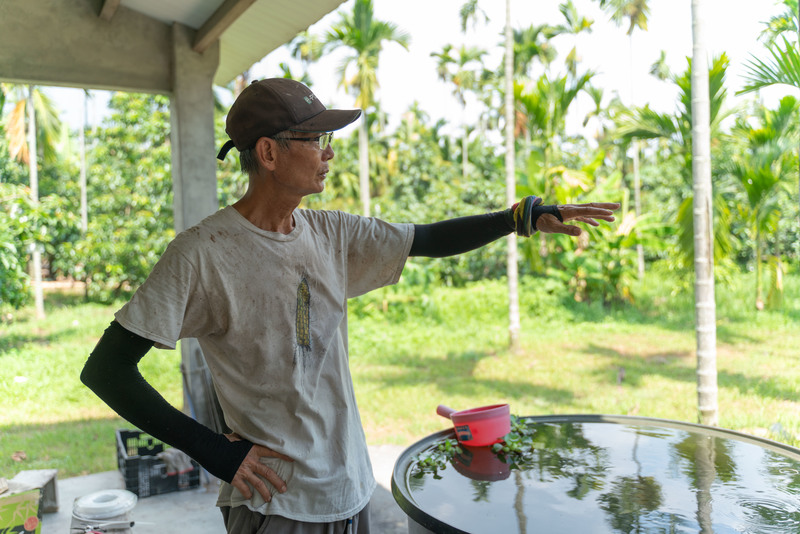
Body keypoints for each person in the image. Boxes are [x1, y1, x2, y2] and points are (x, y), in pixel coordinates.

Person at [81, 77, 619, 533]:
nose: (330, 151)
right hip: (276, 505)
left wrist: (518, 218)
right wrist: (217, 453)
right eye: (315, 138)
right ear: (268, 153)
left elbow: (424, 239)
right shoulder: (203, 254)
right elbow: (107, 370)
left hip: (351, 487)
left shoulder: (330, 233)